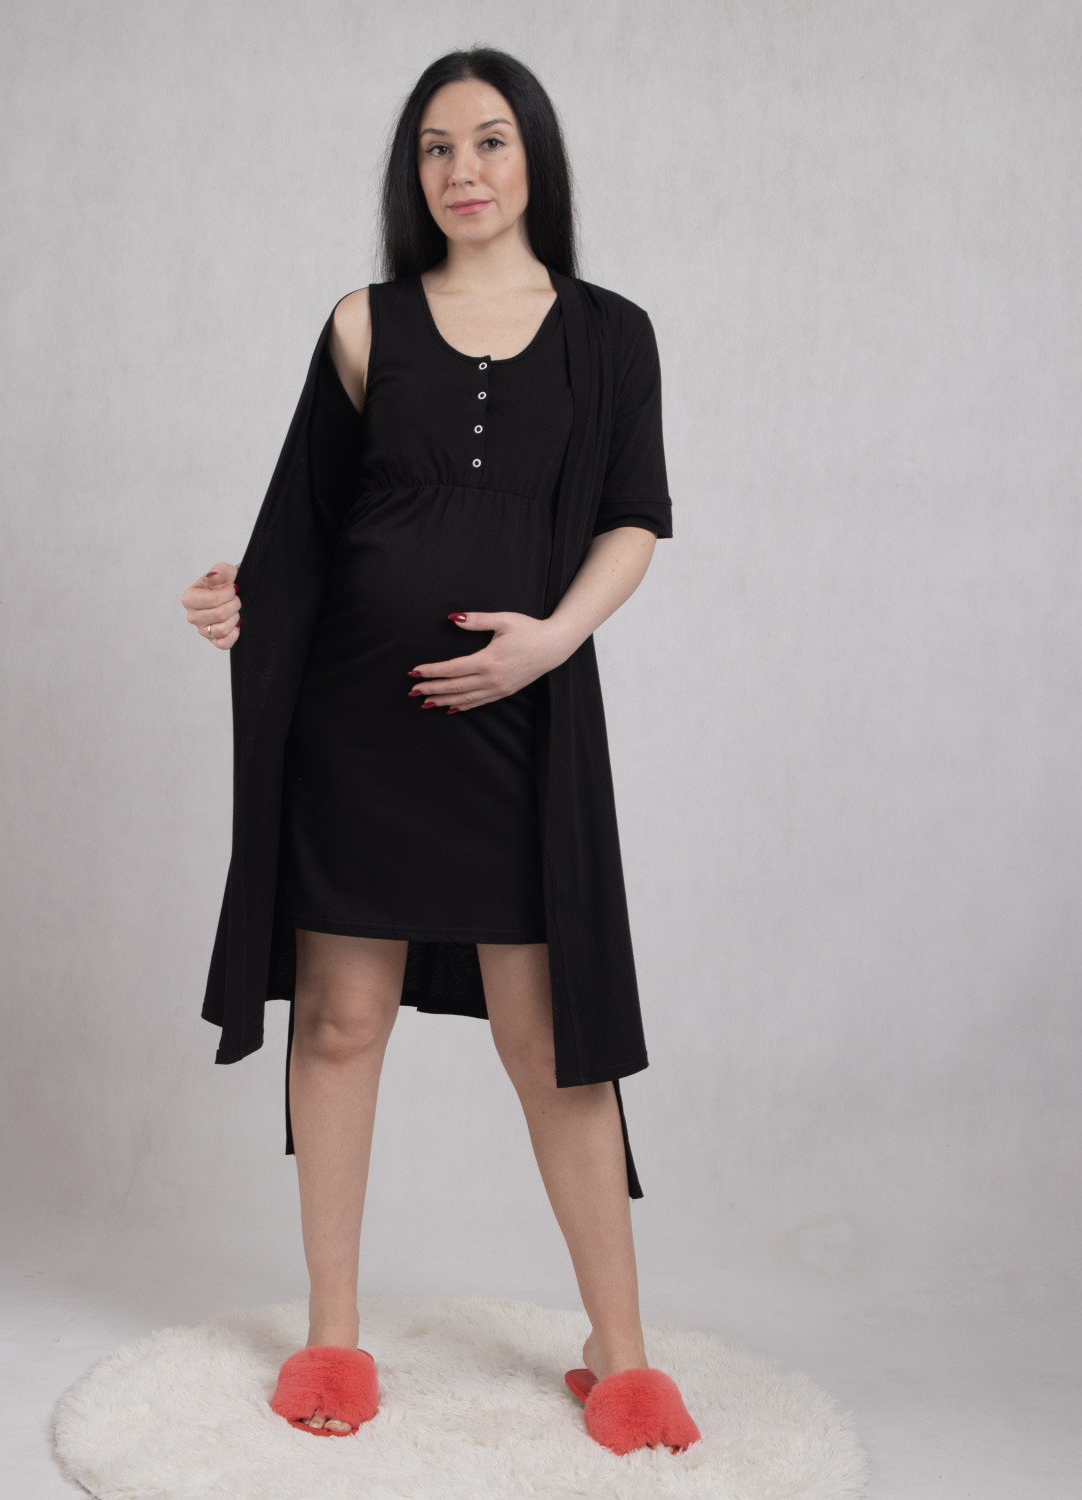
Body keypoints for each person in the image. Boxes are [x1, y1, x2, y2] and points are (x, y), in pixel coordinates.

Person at [180, 47, 699, 1457]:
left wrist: (552, 641)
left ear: (535, 156)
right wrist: (237, 598)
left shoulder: (611, 335)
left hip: (521, 723)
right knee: (342, 1020)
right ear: (412, 174)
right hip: (355, 721)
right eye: (434, 148)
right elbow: (297, 534)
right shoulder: (363, 324)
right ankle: (333, 1338)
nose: (463, 170)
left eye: (489, 140)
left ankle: (624, 1358)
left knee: (556, 1043)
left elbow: (634, 518)